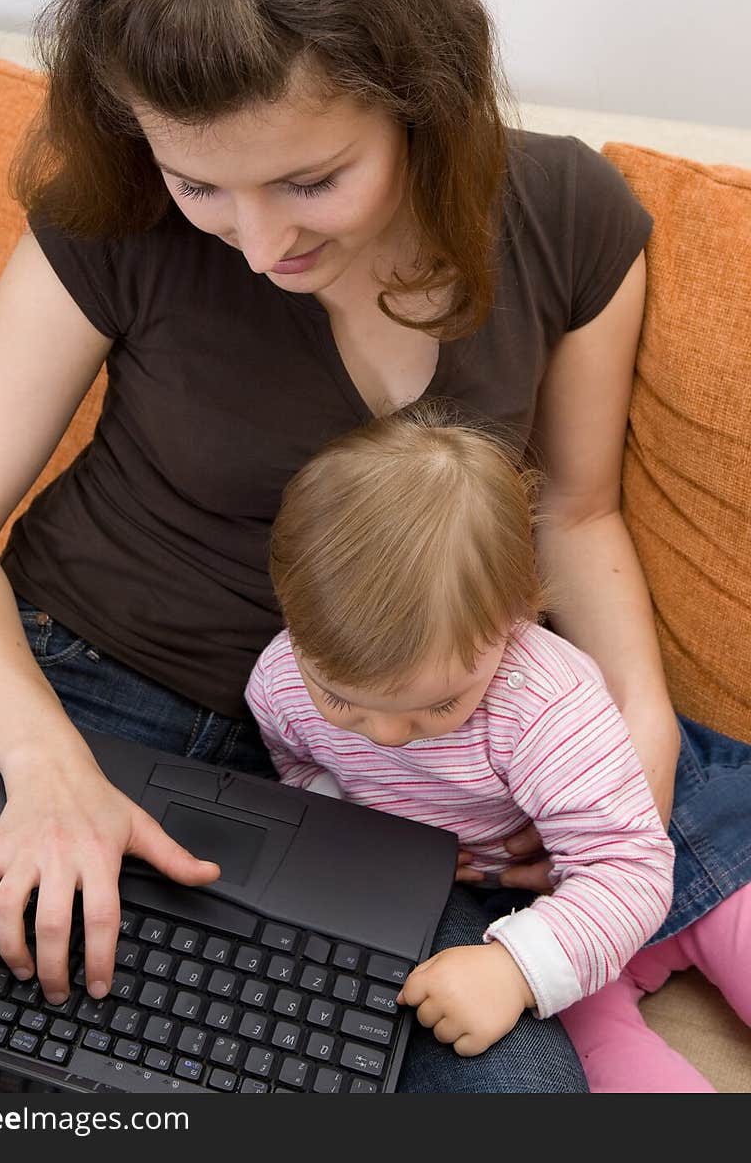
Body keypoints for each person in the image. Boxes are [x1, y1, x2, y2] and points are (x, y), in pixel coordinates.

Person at [0, 0, 688, 1092]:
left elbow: (571, 516)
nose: (256, 245)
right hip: (73, 686)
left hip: (395, 765)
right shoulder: (117, 213)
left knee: (513, 1097)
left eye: (310, 180)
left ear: (421, 98)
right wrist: (45, 770)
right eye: (203, 185)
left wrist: (636, 745)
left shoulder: (566, 218)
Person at [246, 405, 751, 1091]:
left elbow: (631, 869)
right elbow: (298, 763)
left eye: (440, 705)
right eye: (342, 702)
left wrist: (518, 967)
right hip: (541, 920)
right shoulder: (280, 683)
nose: (388, 735)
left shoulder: (542, 699)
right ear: (290, 619)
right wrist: (350, 821)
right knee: (605, 1066)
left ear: (515, 620)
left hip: (670, 841)